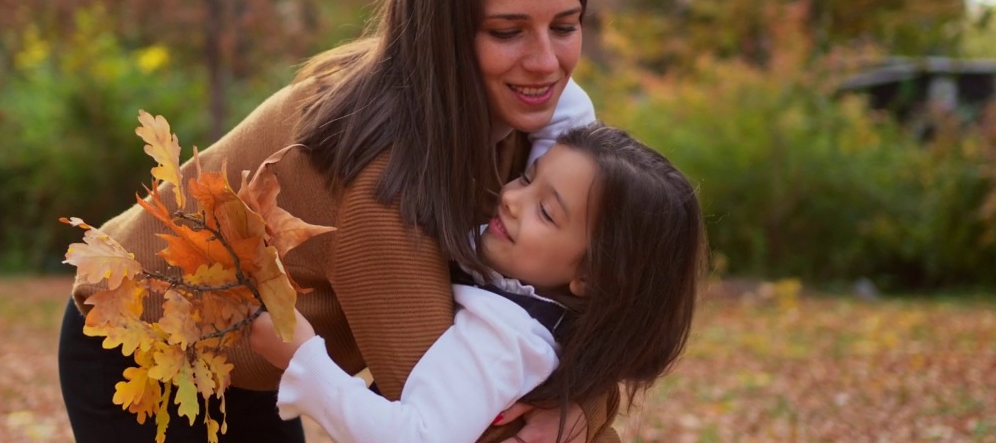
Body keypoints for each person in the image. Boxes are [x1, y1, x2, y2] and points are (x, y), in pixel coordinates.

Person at [58, 0, 617, 442]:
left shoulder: (544, 128)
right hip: (141, 343)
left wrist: (580, 408)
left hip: (257, 366)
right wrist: (573, 410)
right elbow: (447, 424)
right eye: (507, 31)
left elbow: (607, 293)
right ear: (442, 32)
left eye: (565, 26)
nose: (547, 61)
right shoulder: (384, 175)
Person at [249, 123, 708, 443]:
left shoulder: (502, 340)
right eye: (528, 177)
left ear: (589, 277)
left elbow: (412, 437)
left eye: (546, 212)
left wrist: (304, 360)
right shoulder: (528, 288)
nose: (511, 199)